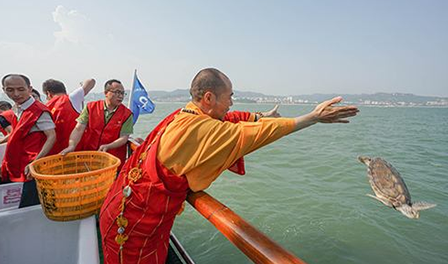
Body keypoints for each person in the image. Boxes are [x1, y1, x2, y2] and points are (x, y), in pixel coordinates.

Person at [99, 68, 359, 264]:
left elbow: (230, 119)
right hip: (133, 230)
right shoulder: (202, 129)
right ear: (210, 97)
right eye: (230, 96)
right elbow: (254, 134)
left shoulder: (184, 115)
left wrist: (259, 115)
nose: (232, 102)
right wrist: (312, 117)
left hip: (123, 210)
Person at [1, 74, 56, 208]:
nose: (16, 94)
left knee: (27, 204)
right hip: (15, 163)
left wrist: (36, 161)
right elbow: (16, 133)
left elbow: (52, 136)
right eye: (10, 90)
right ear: (4, 90)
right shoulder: (17, 108)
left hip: (30, 166)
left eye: (21, 89)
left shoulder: (39, 111)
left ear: (29, 89)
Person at [61, 79, 133, 169]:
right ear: (106, 93)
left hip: (112, 160)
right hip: (90, 156)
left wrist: (108, 146)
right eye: (117, 92)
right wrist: (71, 145)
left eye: (122, 93)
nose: (120, 96)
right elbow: (79, 129)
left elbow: (124, 137)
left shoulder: (127, 114)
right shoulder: (91, 107)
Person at [43, 78, 96, 155]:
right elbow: (91, 81)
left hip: (54, 155)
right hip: (77, 151)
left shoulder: (45, 107)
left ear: (48, 93)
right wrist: (82, 84)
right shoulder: (72, 98)